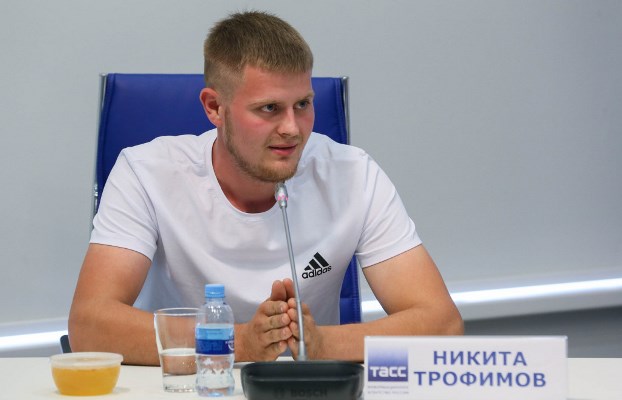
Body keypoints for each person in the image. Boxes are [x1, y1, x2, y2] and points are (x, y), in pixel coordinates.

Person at [68, 11, 463, 366]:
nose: (292, 129)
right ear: (214, 107)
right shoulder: (146, 172)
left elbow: (442, 324)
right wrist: (240, 342)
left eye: (303, 104)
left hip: (305, 388)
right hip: (193, 385)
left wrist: (322, 344)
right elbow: (90, 325)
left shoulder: (354, 174)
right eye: (269, 108)